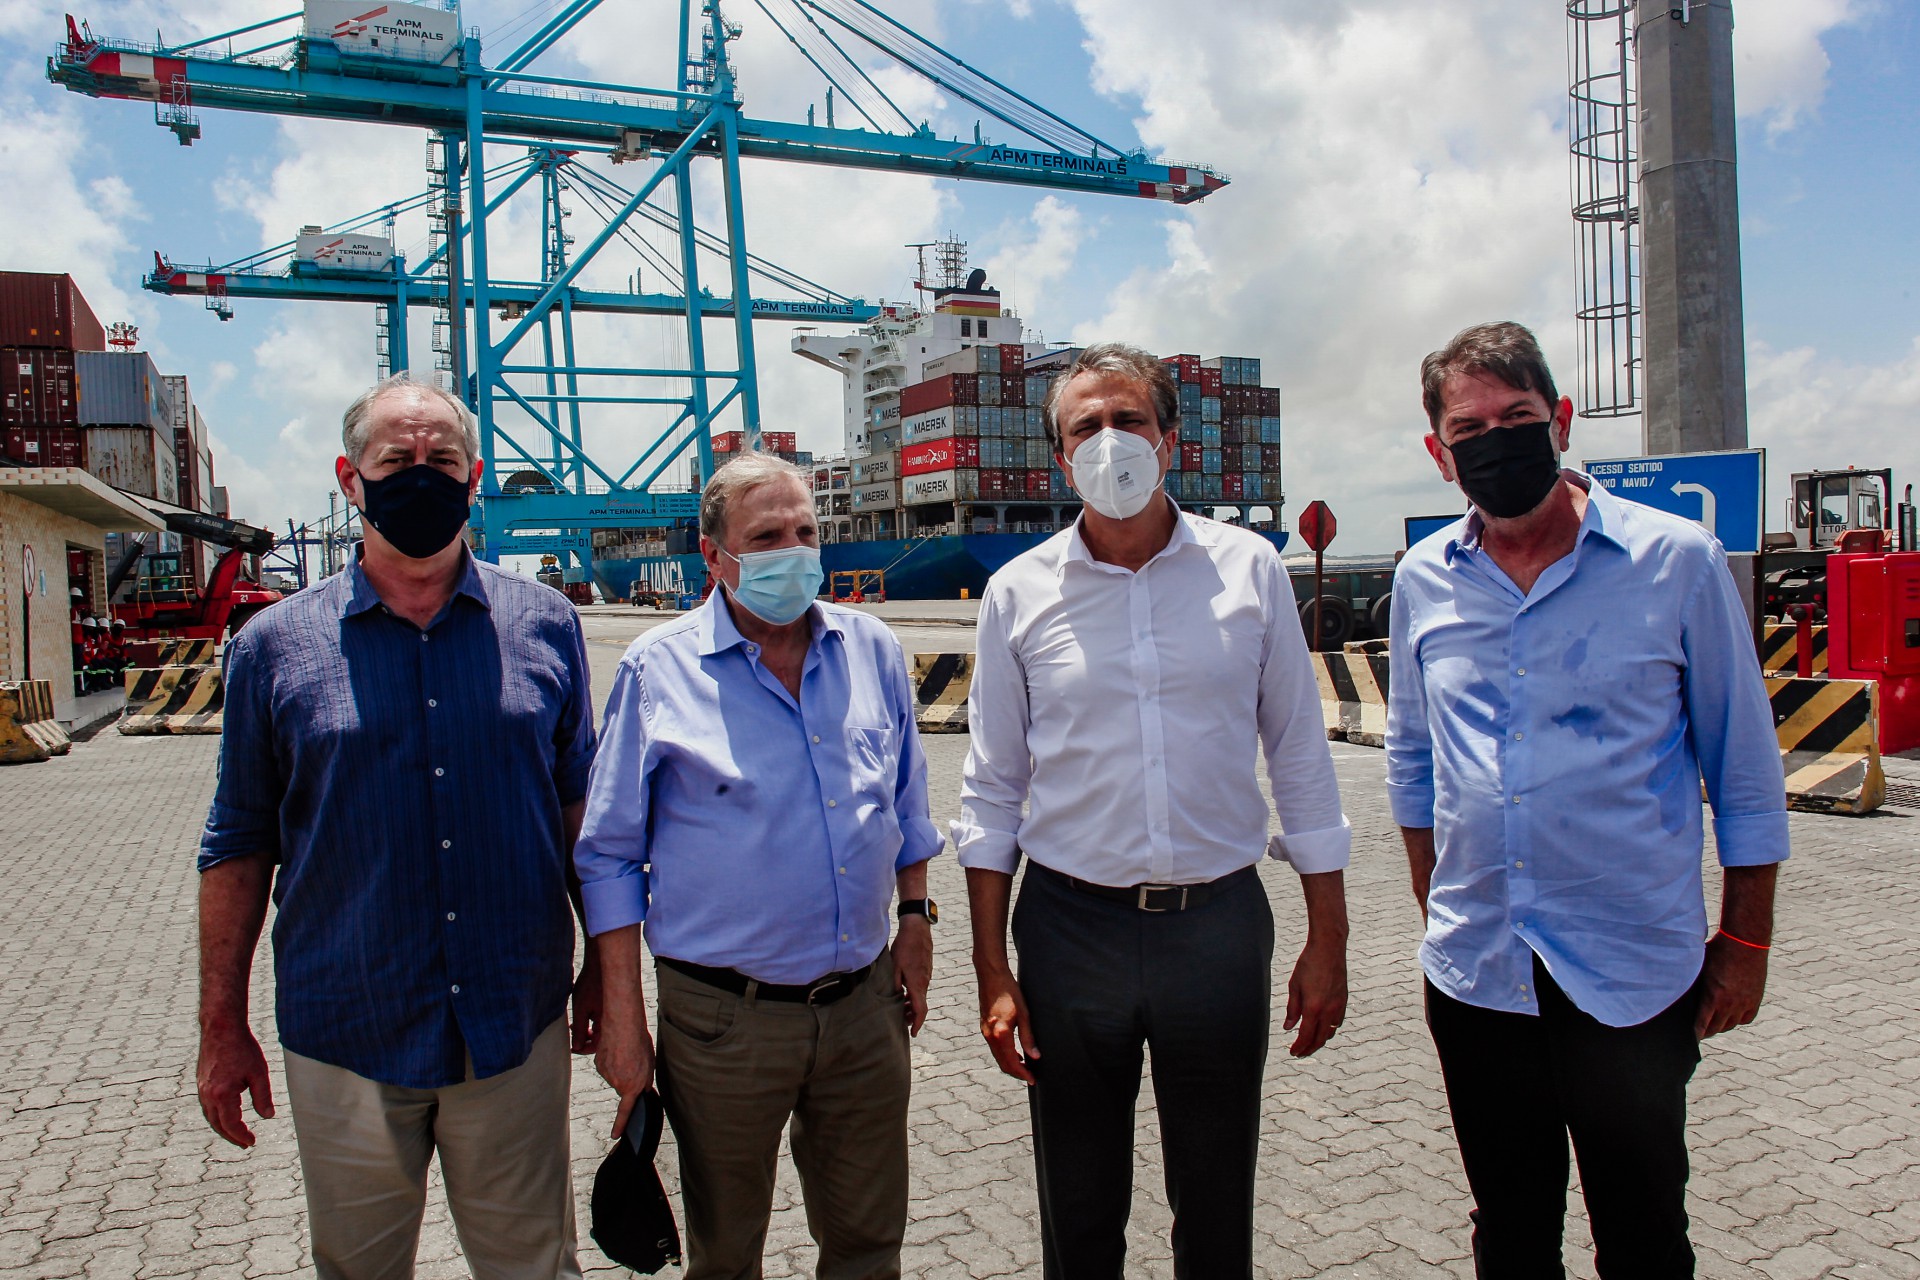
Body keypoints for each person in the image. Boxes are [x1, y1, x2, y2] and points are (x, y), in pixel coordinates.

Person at [1387, 322, 1790, 1279]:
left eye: (1517, 417)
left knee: (1644, 1232)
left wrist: (1746, 944)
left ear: (1560, 419)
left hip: (1631, 973)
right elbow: (1411, 763)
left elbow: (1743, 769)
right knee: (1512, 1232)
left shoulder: (1678, 561)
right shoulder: (1421, 581)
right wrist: (1438, 900)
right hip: (1479, 974)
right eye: (1469, 428)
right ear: (1441, 457)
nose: (1495, 439)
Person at [954, 342, 1352, 1279]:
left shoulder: (1249, 570)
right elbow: (991, 788)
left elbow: (1299, 756)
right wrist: (989, 965)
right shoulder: (1017, 594)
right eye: (1085, 427)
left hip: (1215, 928)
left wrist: (1327, 936)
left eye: (1127, 420)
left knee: (1216, 1213)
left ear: (1168, 438)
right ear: (1060, 459)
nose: (1109, 440)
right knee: (1079, 1213)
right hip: (1067, 932)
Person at [197, 371, 599, 1280]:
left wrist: (609, 976)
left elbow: (585, 820)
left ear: (475, 475)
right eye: (396, 460)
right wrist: (220, 1022)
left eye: (441, 459)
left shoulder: (546, 625)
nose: (420, 474)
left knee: (536, 1266)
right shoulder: (270, 648)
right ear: (350, 478)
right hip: (349, 1028)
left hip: (513, 1024)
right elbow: (238, 842)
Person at [579, 450, 943, 1280]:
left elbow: (908, 801)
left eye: (807, 532)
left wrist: (916, 920)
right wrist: (626, 1021)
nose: (793, 551)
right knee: (726, 1253)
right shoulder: (656, 670)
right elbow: (607, 858)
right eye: (767, 535)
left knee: (866, 1245)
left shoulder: (872, 649)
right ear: (713, 556)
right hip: (722, 1024)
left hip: (862, 1008)